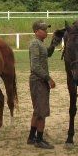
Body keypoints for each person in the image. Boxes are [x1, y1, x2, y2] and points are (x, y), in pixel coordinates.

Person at [28, 20, 59, 149]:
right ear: (36, 31)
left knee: (37, 110)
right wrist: (48, 78)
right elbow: (35, 66)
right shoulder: (35, 44)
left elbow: (48, 54)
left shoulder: (39, 44)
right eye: (43, 29)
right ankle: (39, 139)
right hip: (39, 80)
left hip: (38, 80)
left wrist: (53, 44)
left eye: (46, 29)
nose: (46, 31)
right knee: (42, 111)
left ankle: (31, 137)